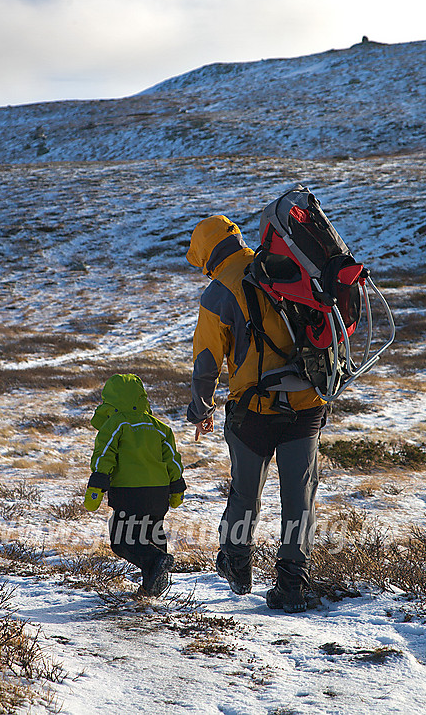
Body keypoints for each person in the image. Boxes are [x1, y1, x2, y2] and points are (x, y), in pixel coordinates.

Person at [186, 215, 326, 613]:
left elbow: (207, 362)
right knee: (300, 499)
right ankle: (292, 587)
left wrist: (201, 410)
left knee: (245, 494)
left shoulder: (218, 292)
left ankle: (236, 561)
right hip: (308, 407)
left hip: (254, 412)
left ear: (205, 253)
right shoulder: (286, 267)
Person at [84, 373, 186, 597]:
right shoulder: (160, 427)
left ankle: (157, 562)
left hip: (130, 492)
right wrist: (177, 487)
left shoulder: (115, 424)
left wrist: (96, 486)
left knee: (122, 541)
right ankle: (151, 587)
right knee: (152, 533)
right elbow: (172, 459)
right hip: (158, 494)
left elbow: (105, 455)